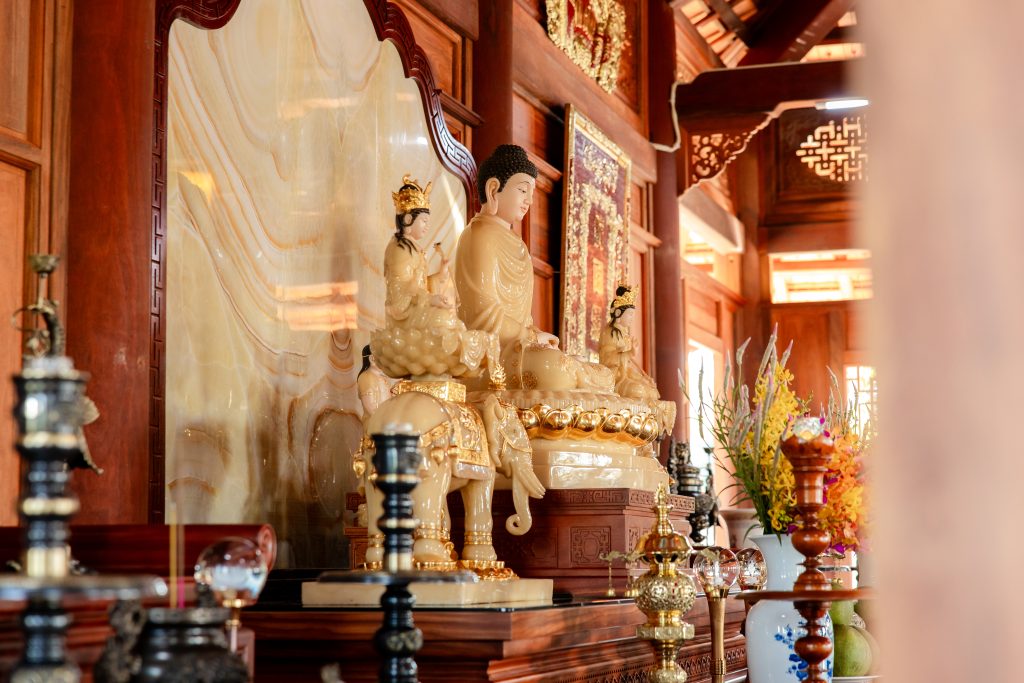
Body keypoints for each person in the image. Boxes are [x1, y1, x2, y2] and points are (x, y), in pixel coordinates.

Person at [454, 144, 613, 391]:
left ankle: (577, 371)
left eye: (531, 192)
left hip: (519, 349)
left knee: (586, 369)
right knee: (555, 369)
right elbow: (482, 317)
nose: (529, 200)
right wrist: (531, 338)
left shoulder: (518, 244)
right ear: (493, 189)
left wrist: (536, 336)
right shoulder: (479, 235)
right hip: (488, 359)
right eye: (522, 190)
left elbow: (523, 320)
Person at [371, 175, 499, 379]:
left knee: (450, 322)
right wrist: (431, 299)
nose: (427, 226)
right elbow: (400, 288)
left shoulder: (414, 248)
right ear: (407, 219)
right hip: (403, 315)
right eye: (423, 221)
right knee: (443, 322)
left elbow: (419, 284)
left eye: (428, 221)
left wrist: (439, 276)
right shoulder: (399, 249)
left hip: (417, 308)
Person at [598, 284, 660, 401]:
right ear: (618, 313)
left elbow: (629, 363)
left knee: (651, 390)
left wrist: (644, 377)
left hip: (626, 372)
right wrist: (629, 353)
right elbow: (607, 359)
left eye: (633, 315)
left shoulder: (624, 333)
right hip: (615, 376)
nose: (632, 318)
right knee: (638, 390)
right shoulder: (610, 332)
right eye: (630, 314)